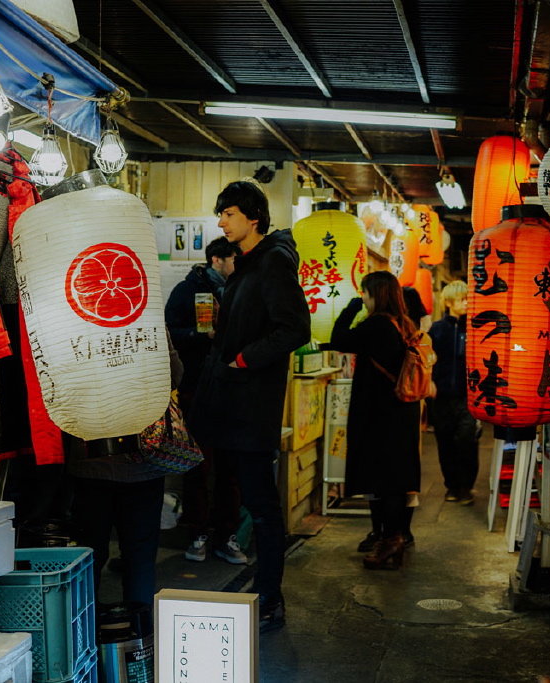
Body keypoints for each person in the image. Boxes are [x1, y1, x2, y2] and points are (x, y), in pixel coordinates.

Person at [192, 180, 311, 633]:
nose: (220, 221)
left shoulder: (274, 262)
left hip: (250, 405)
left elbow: (295, 329)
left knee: (262, 506)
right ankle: (263, 592)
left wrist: (244, 357)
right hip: (231, 403)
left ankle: (268, 597)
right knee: (247, 497)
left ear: (253, 218)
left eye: (228, 213)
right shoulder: (248, 263)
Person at [67, 334, 183, 615]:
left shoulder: (74, 325)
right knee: (140, 556)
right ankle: (138, 642)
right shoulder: (148, 318)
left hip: (89, 459)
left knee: (89, 554)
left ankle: (85, 637)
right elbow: (175, 374)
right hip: (143, 459)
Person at [329, 271, 422, 570]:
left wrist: (350, 308)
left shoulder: (376, 324)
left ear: (376, 294)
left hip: (380, 415)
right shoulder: (403, 323)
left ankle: (390, 540)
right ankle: (389, 539)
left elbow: (338, 339)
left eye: (365, 293)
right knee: (392, 479)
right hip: (400, 411)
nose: (363, 297)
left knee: (384, 481)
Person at [164, 237, 246, 564]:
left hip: (232, 389)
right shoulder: (187, 291)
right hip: (196, 387)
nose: (236, 267)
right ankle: (196, 533)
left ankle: (227, 537)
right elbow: (170, 331)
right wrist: (202, 336)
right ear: (217, 260)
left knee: (231, 467)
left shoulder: (239, 291)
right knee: (197, 463)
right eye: (232, 261)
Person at [429, 280, 479, 506]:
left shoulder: (476, 328)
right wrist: (430, 382)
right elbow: (428, 360)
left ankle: (466, 486)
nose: (467, 303)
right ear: (449, 302)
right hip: (441, 397)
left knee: (467, 441)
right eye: (462, 299)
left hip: (468, 397)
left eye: (469, 298)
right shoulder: (437, 329)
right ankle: (451, 486)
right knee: (445, 442)